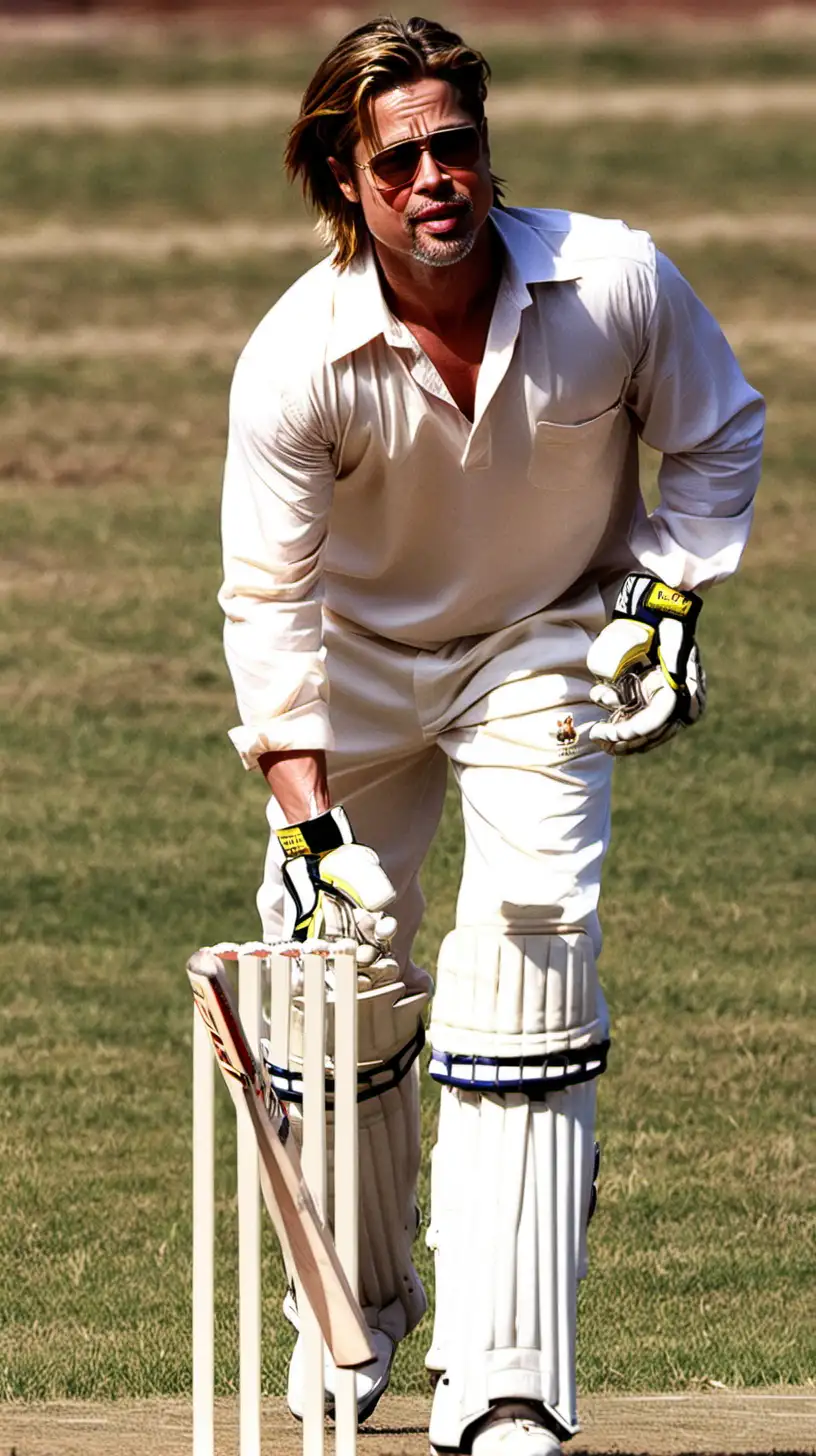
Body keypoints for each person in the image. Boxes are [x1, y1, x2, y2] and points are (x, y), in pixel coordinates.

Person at [217, 16, 764, 1455]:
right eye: (399, 159)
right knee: (330, 984)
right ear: (349, 181)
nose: (436, 177)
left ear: (484, 145)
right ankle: (357, 1309)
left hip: (541, 641)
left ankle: (506, 1376)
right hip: (355, 670)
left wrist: (665, 593)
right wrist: (305, 820)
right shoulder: (296, 360)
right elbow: (267, 601)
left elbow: (720, 432)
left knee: (529, 947)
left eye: (456, 144)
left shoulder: (614, 277)